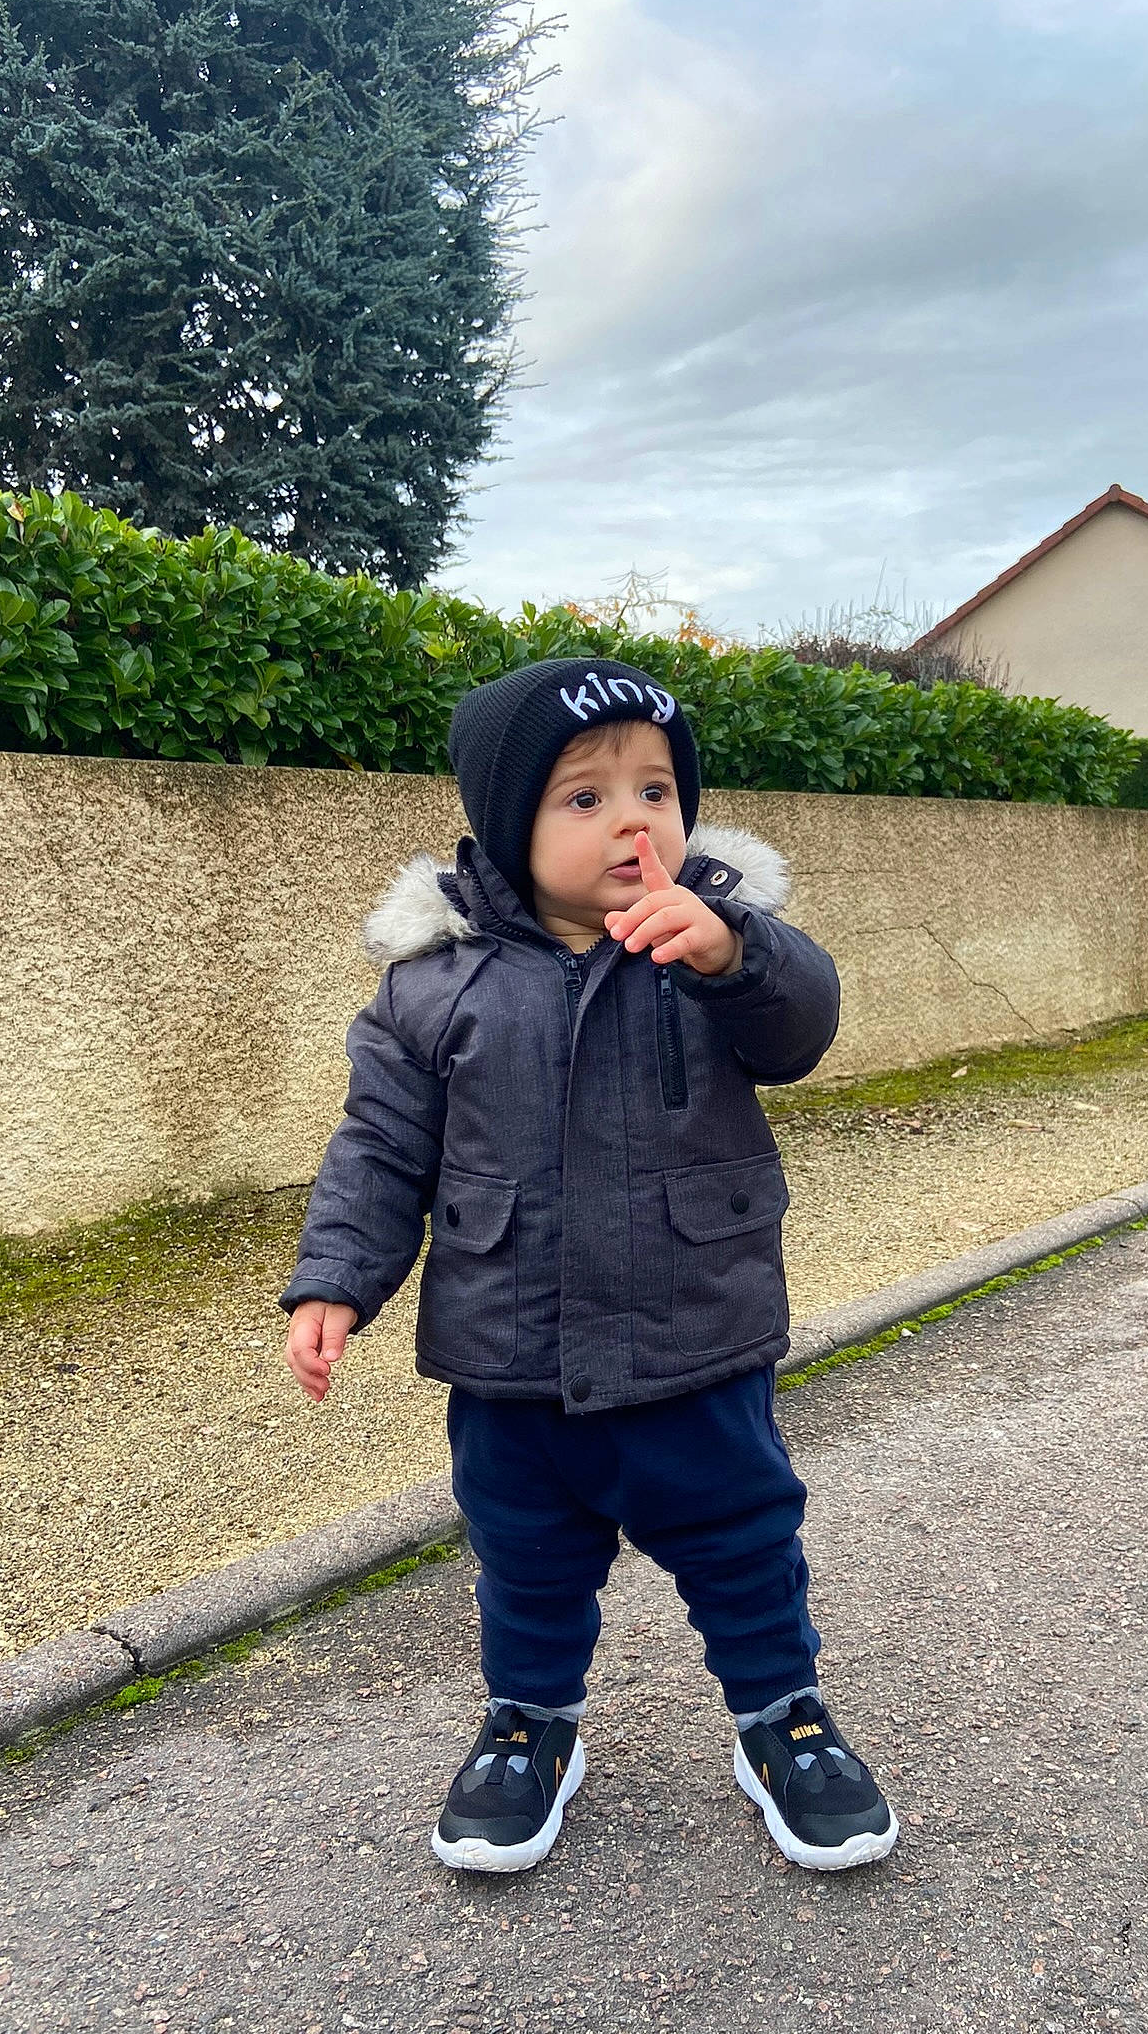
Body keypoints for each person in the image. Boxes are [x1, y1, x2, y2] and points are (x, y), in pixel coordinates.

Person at [279, 656, 898, 1875]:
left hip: (694, 1327)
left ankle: (783, 1712)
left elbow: (804, 1028)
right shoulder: (431, 985)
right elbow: (380, 1146)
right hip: (512, 1349)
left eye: (656, 787)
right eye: (585, 797)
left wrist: (734, 954)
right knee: (524, 1552)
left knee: (743, 1534)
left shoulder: (718, 942)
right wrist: (334, 1279)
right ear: (509, 829)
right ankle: (531, 1721)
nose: (633, 818)